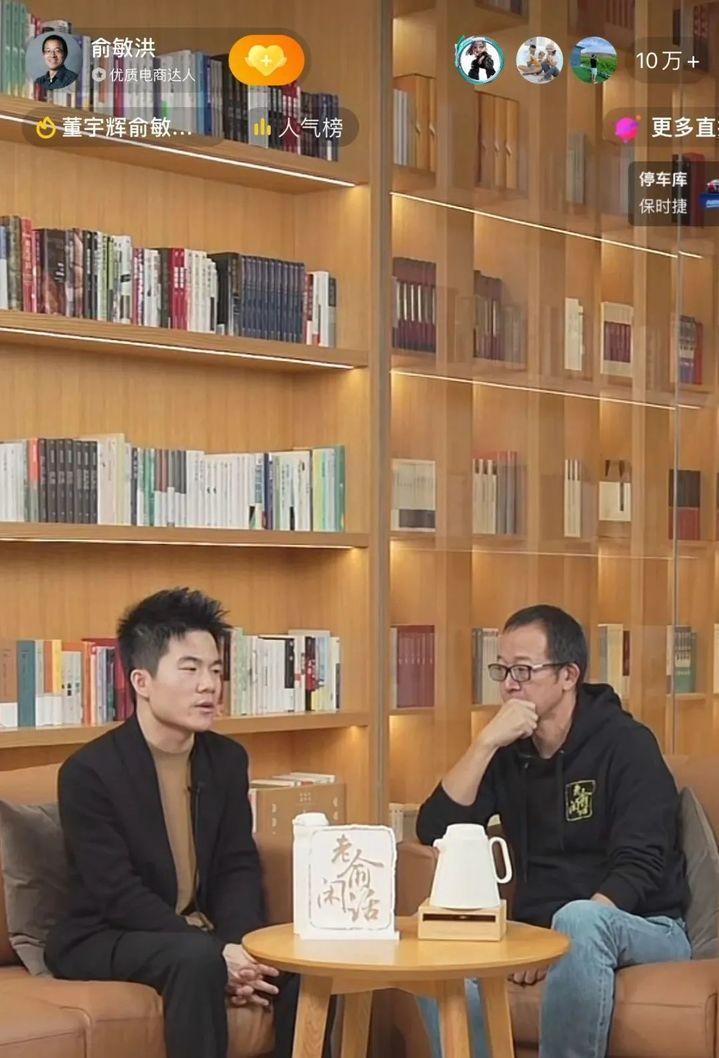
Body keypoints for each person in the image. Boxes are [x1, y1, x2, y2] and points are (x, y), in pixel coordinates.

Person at [46, 587, 320, 1058]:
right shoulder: (89, 772)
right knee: (196, 960)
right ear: (142, 681)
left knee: (294, 962)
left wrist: (241, 947)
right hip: (106, 933)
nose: (209, 685)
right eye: (190, 670)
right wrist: (214, 951)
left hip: (202, 931)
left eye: (215, 670)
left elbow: (237, 865)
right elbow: (115, 892)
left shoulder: (227, 760)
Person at [416, 604, 689, 1058]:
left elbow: (638, 867)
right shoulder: (508, 750)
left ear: (568, 675)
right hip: (540, 929)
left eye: (524, 670)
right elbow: (436, 830)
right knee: (434, 944)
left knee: (579, 920)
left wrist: (560, 944)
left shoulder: (627, 744)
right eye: (502, 669)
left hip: (645, 924)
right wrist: (485, 743)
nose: (509, 684)